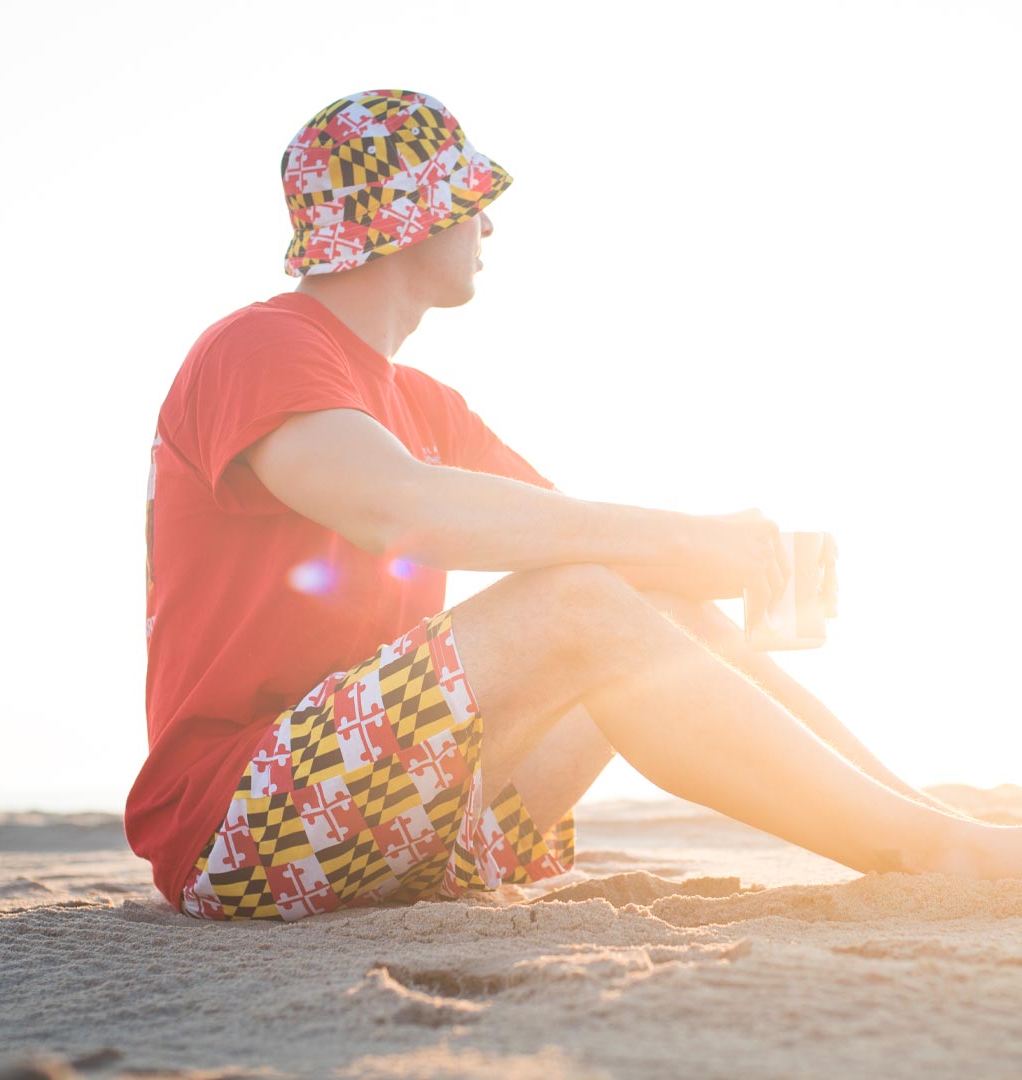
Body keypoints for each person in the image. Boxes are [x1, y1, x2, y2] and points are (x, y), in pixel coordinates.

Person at [125, 89, 1022, 922]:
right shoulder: (259, 346)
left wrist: (748, 566)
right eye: (468, 196)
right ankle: (937, 849)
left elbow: (586, 561)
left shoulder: (427, 402)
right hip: (238, 830)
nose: (489, 221)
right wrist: (689, 539)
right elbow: (398, 509)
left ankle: (933, 829)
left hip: (411, 828)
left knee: (640, 604)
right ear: (411, 216)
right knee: (582, 604)